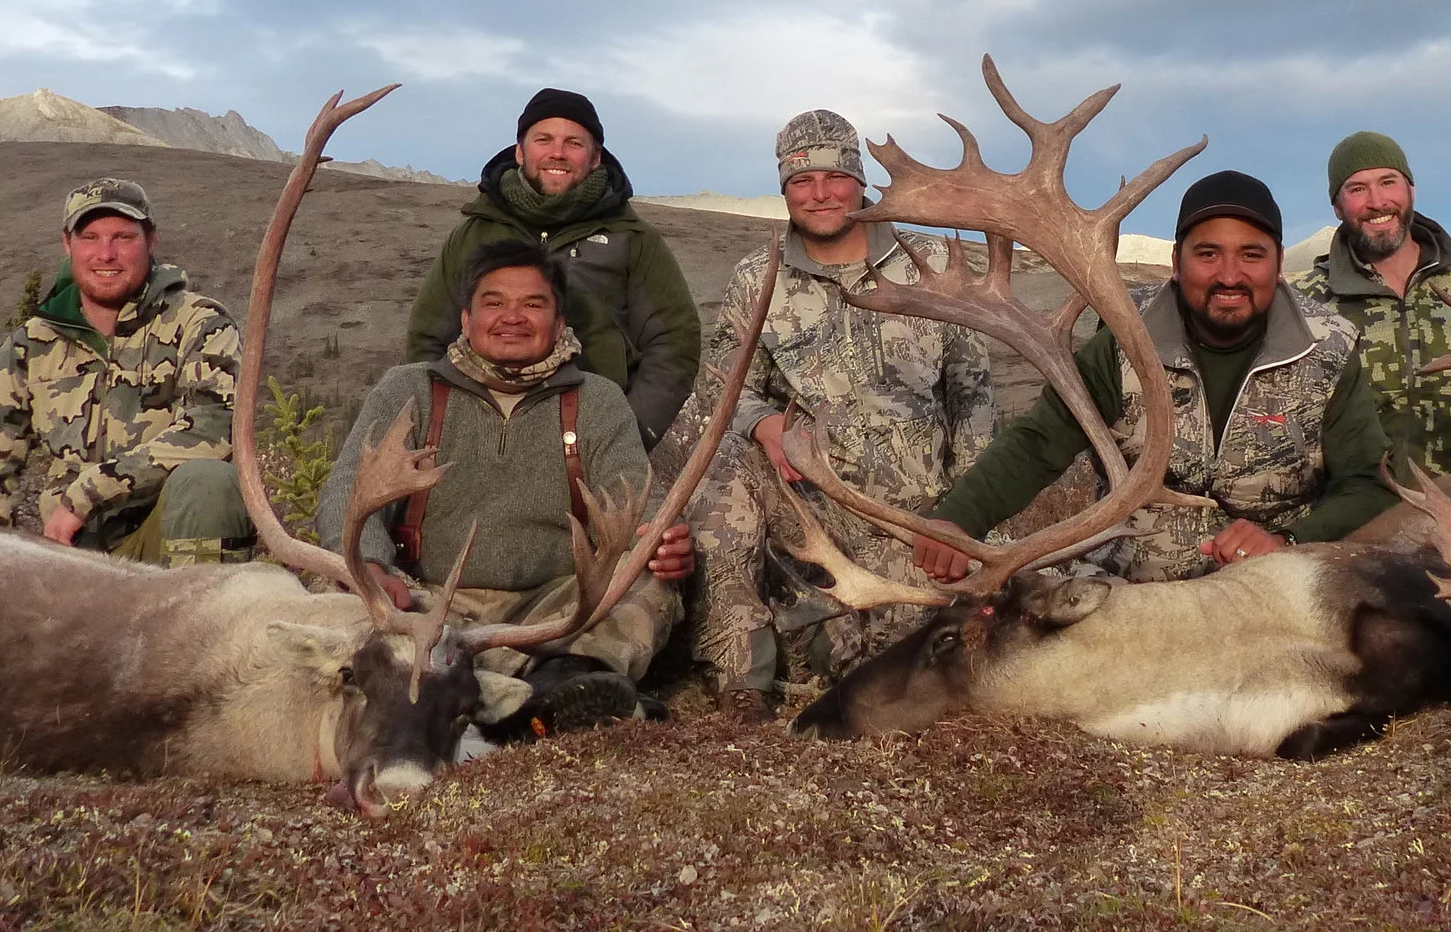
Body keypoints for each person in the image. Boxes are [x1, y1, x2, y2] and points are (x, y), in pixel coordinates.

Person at [916, 171, 1394, 583]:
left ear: (1278, 263)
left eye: (1251, 255)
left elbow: (1367, 482)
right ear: (1175, 262)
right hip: (1127, 587)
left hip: (1271, 587)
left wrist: (1288, 539)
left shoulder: (1327, 347)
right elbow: (1040, 443)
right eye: (1207, 254)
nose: (1230, 275)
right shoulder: (1124, 337)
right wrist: (960, 520)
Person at [677, 109, 997, 712]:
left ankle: (826, 638)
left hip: (919, 517)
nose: (819, 194)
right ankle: (742, 676)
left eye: (834, 177)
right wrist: (767, 426)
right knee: (721, 469)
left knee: (916, 647)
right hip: (810, 508)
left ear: (859, 181)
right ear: (785, 189)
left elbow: (974, 397)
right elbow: (721, 384)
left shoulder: (926, 260)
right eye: (801, 181)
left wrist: (963, 516)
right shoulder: (758, 276)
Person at [325, 239, 693, 733]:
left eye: (533, 304)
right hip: (427, 601)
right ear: (465, 320)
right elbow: (350, 488)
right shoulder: (409, 388)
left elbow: (632, 503)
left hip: (558, 607)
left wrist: (660, 545)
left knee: (643, 581)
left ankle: (565, 684)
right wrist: (372, 565)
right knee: (346, 587)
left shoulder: (598, 401)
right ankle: (524, 698)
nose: (512, 317)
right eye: (494, 303)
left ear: (560, 324)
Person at [0, 179, 255, 564]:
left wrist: (89, 493)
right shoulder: (30, 344)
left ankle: (204, 618)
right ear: (68, 245)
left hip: (162, 549)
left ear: (151, 241)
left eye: (123, 237)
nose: (106, 253)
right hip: (68, 559)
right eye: (90, 237)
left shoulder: (201, 324)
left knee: (209, 482)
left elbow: (214, 428)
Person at [406, 87, 701, 451]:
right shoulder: (472, 234)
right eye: (543, 139)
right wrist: (444, 434)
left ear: (595, 158)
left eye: (574, 142)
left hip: (591, 439)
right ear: (520, 151)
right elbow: (427, 341)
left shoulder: (633, 239)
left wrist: (625, 438)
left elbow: (674, 343)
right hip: (475, 441)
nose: (557, 152)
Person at [1294, 131, 1451, 477]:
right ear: (1337, 206)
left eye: (1388, 182)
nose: (1377, 201)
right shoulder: (1307, 301)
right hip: (1361, 514)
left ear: (1411, 190)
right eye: (1357, 189)